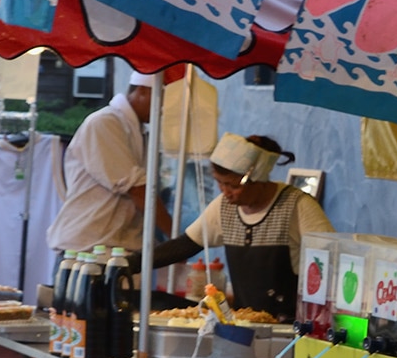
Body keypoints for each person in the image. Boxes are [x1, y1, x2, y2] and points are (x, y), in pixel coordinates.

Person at [152, 133, 333, 320]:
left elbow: (329, 259)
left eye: (232, 185)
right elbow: (185, 245)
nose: (226, 192)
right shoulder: (224, 207)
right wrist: (132, 263)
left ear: (258, 179)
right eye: (220, 183)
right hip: (244, 321)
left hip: (288, 324)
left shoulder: (296, 205)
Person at [47, 72, 171, 259]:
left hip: (119, 247)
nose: (163, 109)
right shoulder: (105, 122)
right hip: (88, 248)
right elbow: (137, 189)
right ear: (143, 91)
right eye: (162, 101)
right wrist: (176, 237)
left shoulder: (139, 131)